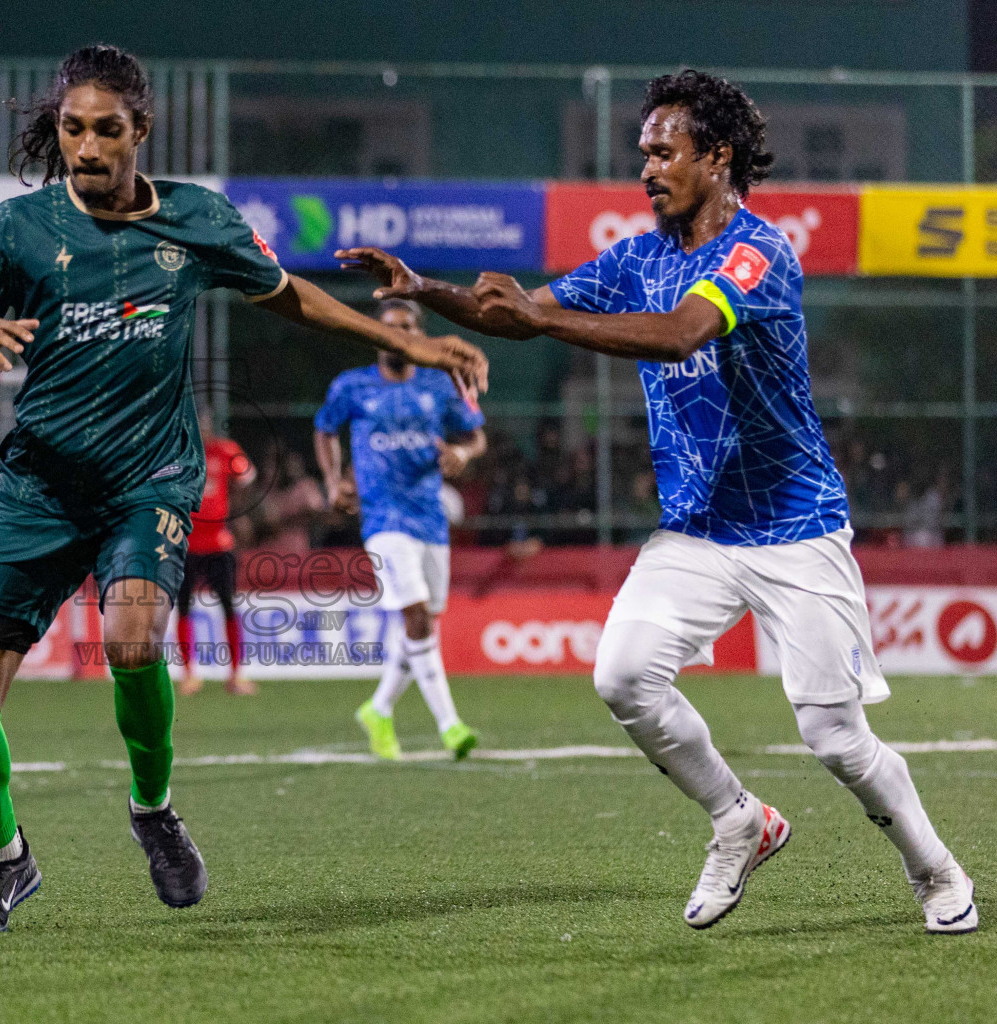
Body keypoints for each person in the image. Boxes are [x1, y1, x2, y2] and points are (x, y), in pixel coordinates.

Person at [339, 69, 976, 935]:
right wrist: (423, 290)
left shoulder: (760, 252)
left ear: (716, 159)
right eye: (641, 150)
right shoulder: (636, 256)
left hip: (795, 527)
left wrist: (540, 321)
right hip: (698, 533)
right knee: (622, 674)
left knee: (834, 738)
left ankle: (934, 869)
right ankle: (738, 818)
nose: (645, 166)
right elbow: (522, 310)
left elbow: (680, 332)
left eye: (662, 149)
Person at [0, 44, 485, 937]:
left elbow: (288, 293)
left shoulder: (195, 219)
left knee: (134, 639)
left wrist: (410, 344)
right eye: (73, 130)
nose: (88, 149)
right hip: (39, 489)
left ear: (141, 130)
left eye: (108, 131)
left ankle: (154, 811)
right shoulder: (13, 231)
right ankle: (5, 862)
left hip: (150, 482)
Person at [313, 298, 487, 762]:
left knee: (422, 622)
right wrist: (333, 481)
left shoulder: (439, 384)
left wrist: (464, 455)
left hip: (429, 516)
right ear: (377, 334)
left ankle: (379, 707)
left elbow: (475, 435)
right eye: (389, 327)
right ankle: (450, 726)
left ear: (418, 333)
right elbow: (325, 429)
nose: (397, 335)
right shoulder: (353, 386)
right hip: (383, 518)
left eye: (406, 327)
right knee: (415, 617)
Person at [177, 408, 257, 697]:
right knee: (184, 606)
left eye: (205, 423)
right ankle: (189, 674)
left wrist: (235, 510)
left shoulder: (225, 450)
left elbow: (247, 477)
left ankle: (236, 675)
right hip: (186, 542)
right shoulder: (180, 452)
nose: (202, 428)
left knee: (228, 605)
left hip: (219, 542)